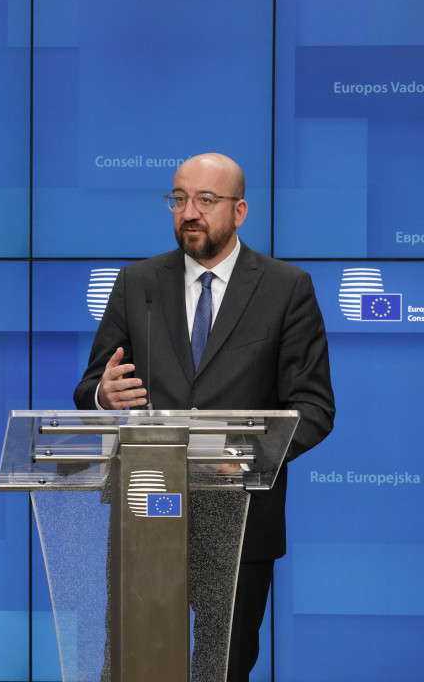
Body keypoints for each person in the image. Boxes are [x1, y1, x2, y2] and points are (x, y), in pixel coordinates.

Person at [73, 153, 335, 681]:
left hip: (240, 517)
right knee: (130, 664)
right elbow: (91, 388)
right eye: (179, 199)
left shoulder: (287, 288)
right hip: (146, 511)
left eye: (205, 201)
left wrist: (242, 458)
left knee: (223, 667)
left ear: (239, 211)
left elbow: (313, 407)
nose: (189, 212)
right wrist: (103, 395)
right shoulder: (136, 282)